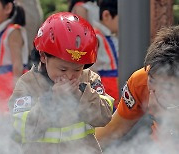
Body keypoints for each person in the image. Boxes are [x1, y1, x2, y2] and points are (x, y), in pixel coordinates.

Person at [8, 12, 113, 154]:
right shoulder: (28, 84)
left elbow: (104, 116)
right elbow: (21, 128)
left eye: (77, 69)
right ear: (44, 57)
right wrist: (51, 100)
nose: (70, 76)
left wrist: (80, 95)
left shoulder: (89, 79)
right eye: (62, 68)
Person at [95, 25, 179, 153]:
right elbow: (112, 130)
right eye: (152, 82)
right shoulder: (140, 80)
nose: (151, 103)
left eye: (167, 89)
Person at [0, 0, 28, 112]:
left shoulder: (13, 31)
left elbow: (17, 64)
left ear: (8, 8)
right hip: (2, 83)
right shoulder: (2, 30)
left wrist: (17, 91)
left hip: (10, 84)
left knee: (9, 115)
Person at [90, 0, 119, 111]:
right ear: (106, 15)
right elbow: (91, 68)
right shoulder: (96, 37)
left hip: (114, 88)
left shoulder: (108, 36)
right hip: (104, 88)